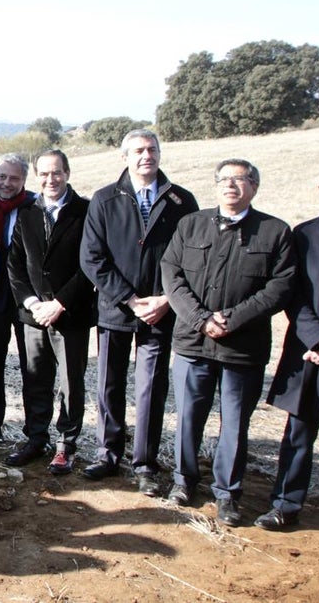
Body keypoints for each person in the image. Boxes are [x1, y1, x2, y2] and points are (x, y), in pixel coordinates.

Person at [160, 159, 295, 526]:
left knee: (234, 424)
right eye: (223, 179)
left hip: (243, 347)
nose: (230, 185)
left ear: (254, 186)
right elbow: (171, 275)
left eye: (239, 179)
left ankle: (227, 493)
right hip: (192, 342)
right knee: (189, 417)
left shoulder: (274, 231)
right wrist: (202, 320)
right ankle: (184, 481)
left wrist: (232, 320)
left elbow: (280, 287)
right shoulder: (191, 224)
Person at [79, 129, 198, 496]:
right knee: (110, 385)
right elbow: (92, 258)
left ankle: (145, 464)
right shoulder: (104, 199)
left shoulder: (182, 201)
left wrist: (165, 300)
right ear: (125, 157)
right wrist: (129, 299)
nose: (146, 156)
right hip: (116, 310)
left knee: (150, 389)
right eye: (139, 151)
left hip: (161, 312)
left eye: (152, 149)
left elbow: (192, 259)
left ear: (160, 154)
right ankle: (108, 453)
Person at [258, 157, 319, 537]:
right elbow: (292, 295)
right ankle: (285, 505)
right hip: (309, 351)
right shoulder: (305, 234)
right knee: (298, 431)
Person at [4, 150, 94, 474]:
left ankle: (66, 445)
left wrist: (59, 303)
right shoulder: (27, 211)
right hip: (33, 315)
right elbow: (14, 264)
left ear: (67, 173)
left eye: (56, 173)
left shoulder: (85, 211)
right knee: (35, 379)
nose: (50, 180)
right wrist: (31, 303)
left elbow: (90, 265)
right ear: (36, 177)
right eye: (44, 174)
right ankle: (36, 438)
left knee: (71, 381)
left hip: (70, 314)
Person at [0, 153, 35, 443]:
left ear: (24, 180)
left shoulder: (34, 206)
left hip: (27, 298)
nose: (6, 183)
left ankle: (34, 428)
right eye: (2, 176)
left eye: (14, 178)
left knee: (32, 365)